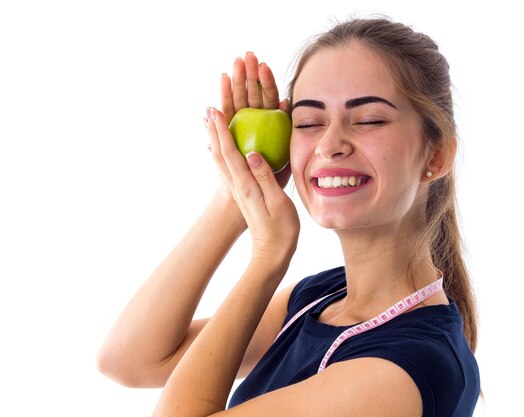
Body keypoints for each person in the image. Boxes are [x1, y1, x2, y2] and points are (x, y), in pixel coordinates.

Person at [97, 16, 480, 417]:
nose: (329, 145)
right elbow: (130, 360)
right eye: (308, 123)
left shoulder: (402, 370)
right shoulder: (320, 299)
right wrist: (239, 192)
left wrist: (268, 257)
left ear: (436, 155)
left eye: (368, 120)